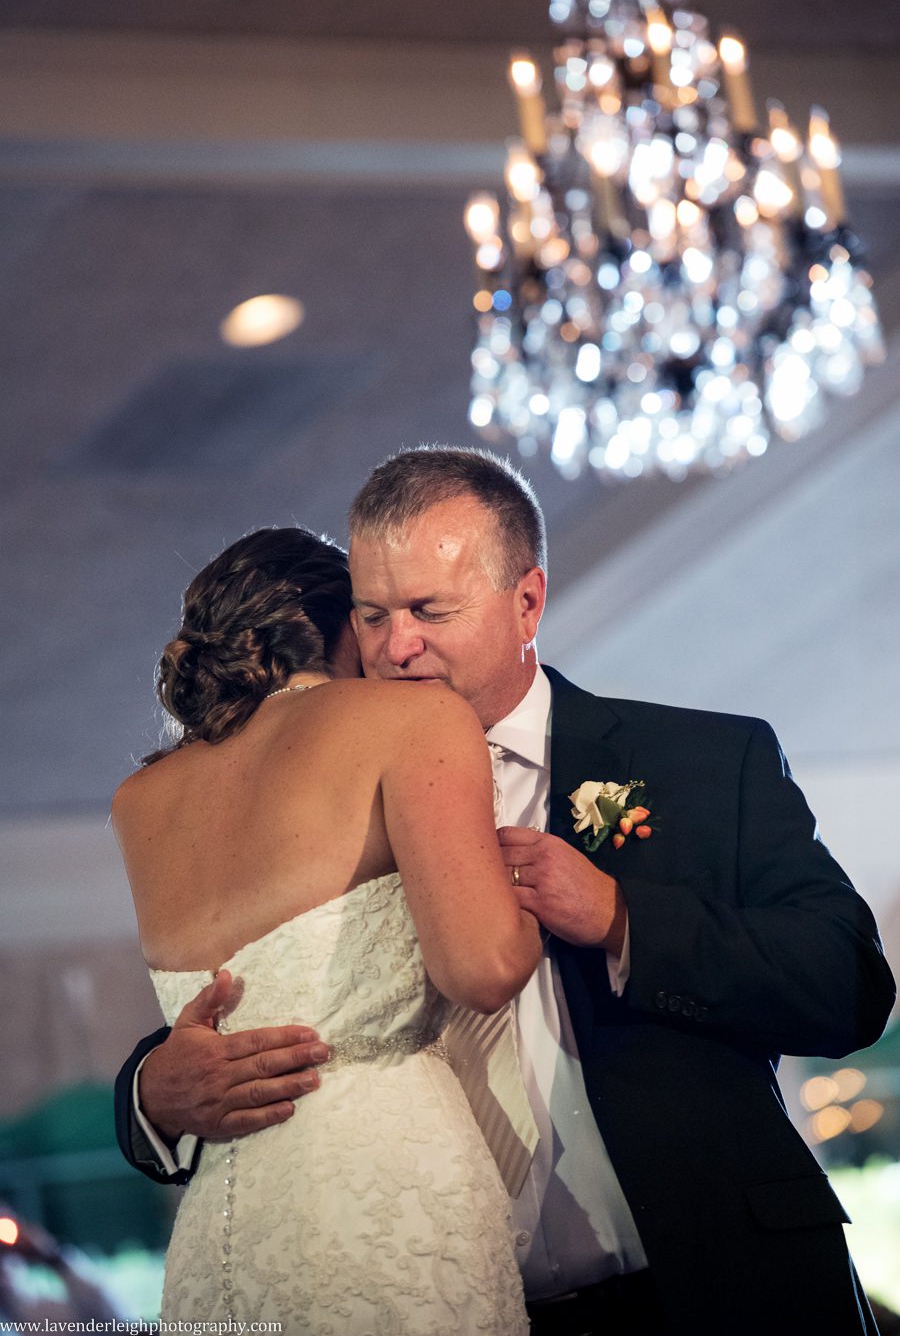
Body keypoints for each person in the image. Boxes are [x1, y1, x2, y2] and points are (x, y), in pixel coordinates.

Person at [115, 450, 896, 1336]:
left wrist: (622, 919)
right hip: (459, 1298)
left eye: (428, 610)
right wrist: (149, 1093)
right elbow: (284, 981)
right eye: (372, 615)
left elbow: (849, 985)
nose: (396, 646)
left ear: (527, 601)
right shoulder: (332, 786)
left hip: (713, 1285)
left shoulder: (702, 762)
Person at [111, 526, 542, 1333]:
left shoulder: (140, 804)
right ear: (341, 623)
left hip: (227, 1225)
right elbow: (484, 968)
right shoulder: (408, 720)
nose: (394, 642)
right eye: (374, 616)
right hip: (387, 1188)